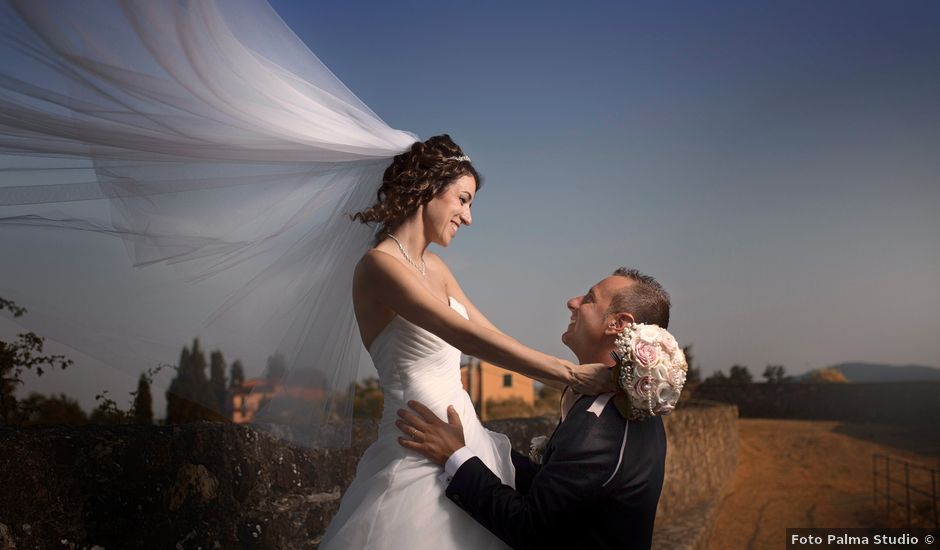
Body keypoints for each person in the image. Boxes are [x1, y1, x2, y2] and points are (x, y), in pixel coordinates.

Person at [319, 135, 613, 549]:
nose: (469, 217)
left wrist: (566, 381)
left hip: (465, 440)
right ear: (427, 189)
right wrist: (568, 373)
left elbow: (488, 333)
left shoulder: (435, 266)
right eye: (462, 199)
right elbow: (462, 335)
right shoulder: (377, 266)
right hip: (418, 448)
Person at [396, 268, 672, 550]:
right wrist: (475, 444)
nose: (573, 302)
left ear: (618, 324)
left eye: (589, 298)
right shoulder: (623, 405)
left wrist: (455, 457)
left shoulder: (601, 426)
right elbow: (554, 484)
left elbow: (530, 529)